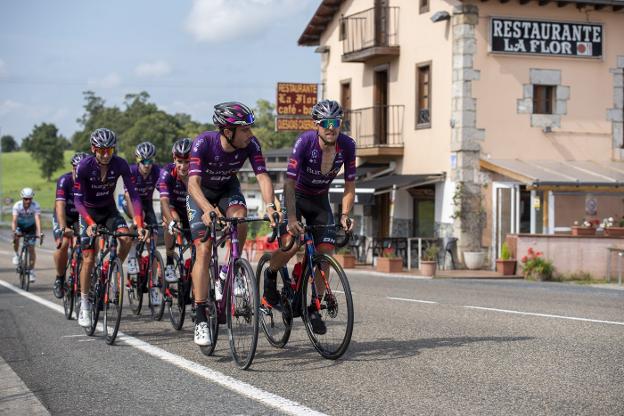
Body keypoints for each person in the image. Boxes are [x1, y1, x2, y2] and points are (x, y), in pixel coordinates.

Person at [187, 101, 279, 346]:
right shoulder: (203, 143)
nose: (250, 134)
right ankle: (200, 318)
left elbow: (263, 176)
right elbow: (192, 184)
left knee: (241, 217)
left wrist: (270, 207)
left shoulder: (251, 144)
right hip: (200, 194)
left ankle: (231, 269)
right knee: (204, 249)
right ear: (228, 131)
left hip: (228, 187)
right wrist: (207, 209)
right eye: (245, 129)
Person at [263, 99, 356, 335]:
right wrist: (292, 218)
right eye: (325, 122)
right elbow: (289, 183)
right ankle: (271, 273)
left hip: (320, 199)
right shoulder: (305, 142)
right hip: (296, 196)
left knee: (325, 252)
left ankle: (313, 305)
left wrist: (345, 214)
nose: (331, 127)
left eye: (335, 122)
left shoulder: (347, 145)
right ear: (317, 124)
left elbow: (349, 185)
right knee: (291, 245)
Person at [74, 128, 148, 328]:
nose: (106, 154)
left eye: (110, 150)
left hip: (109, 211)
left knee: (126, 238)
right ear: (93, 149)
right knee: (89, 258)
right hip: (88, 214)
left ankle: (113, 268)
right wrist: (90, 224)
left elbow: (133, 196)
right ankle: (85, 304)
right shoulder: (84, 167)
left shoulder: (120, 164)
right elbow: (78, 201)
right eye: (102, 150)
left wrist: (139, 224)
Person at [122, 141, 161, 303]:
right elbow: (128, 196)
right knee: (137, 224)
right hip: (130, 203)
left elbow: (165, 192)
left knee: (153, 240)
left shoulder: (157, 171)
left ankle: (153, 285)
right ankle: (132, 256)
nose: (147, 165)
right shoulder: (131, 171)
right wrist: (138, 221)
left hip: (147, 204)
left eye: (150, 161)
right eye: (143, 161)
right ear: (138, 161)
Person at [52, 152, 89, 298]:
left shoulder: (89, 182)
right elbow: (59, 205)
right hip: (64, 216)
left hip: (80, 216)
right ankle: (60, 278)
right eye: (76, 168)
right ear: (72, 168)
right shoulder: (64, 181)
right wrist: (63, 227)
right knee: (64, 243)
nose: (78, 171)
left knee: (86, 247)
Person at [158, 138, 192, 283]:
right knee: (174, 222)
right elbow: (164, 201)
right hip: (172, 206)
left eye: (187, 161)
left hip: (191, 208)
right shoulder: (167, 172)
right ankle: (170, 261)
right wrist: (170, 222)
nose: (183, 166)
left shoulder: (198, 173)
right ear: (174, 159)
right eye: (180, 161)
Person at [12, 188, 43, 283]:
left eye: (30, 198)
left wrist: (40, 233)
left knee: (31, 248)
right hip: (20, 226)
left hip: (31, 228)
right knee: (16, 237)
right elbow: (14, 221)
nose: (28, 201)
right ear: (22, 198)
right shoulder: (17, 205)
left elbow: (37, 220)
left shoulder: (35, 205)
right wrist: (14, 231)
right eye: (26, 199)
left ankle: (31, 271)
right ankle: (16, 254)